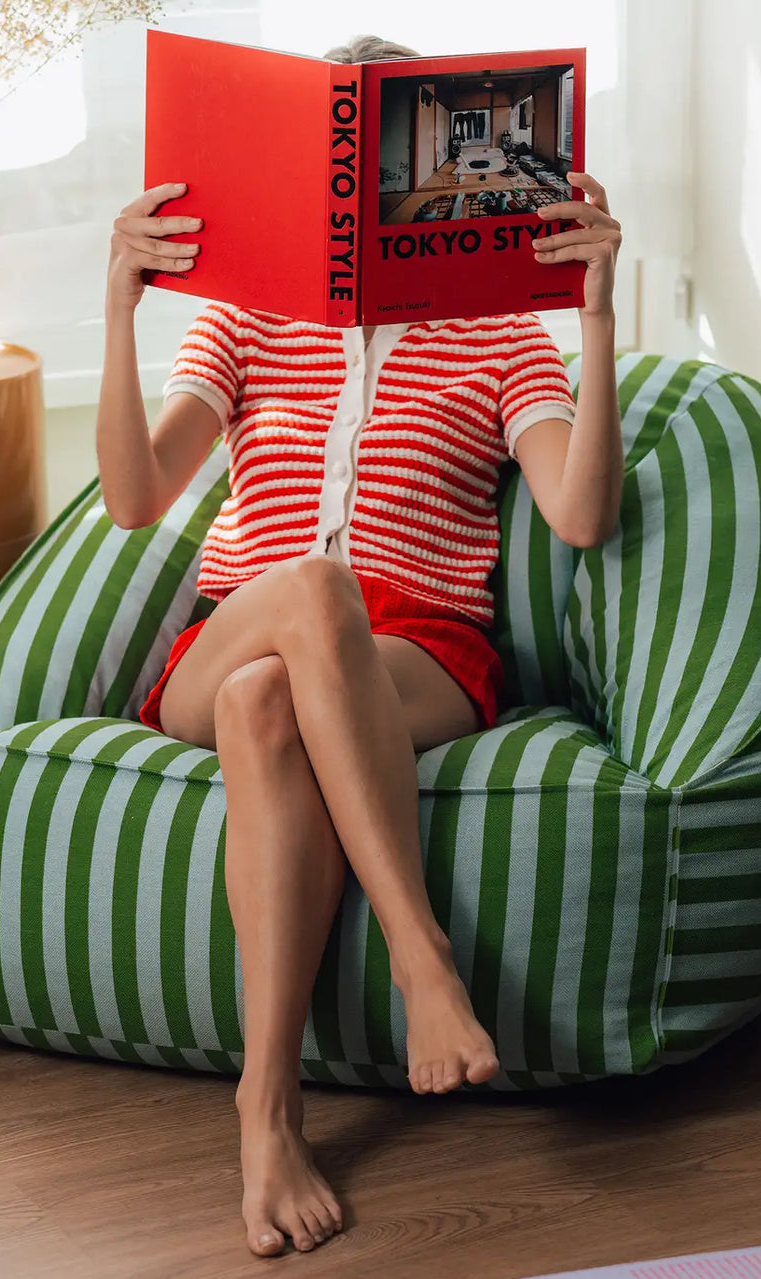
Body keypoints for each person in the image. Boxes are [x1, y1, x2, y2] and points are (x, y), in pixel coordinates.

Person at [96, 32, 624, 1259]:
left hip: (416, 653)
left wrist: (595, 317)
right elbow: (133, 497)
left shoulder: (500, 334)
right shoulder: (244, 320)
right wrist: (117, 311)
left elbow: (581, 514)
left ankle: (266, 1109)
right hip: (235, 628)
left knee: (268, 700)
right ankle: (420, 956)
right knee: (301, 603)